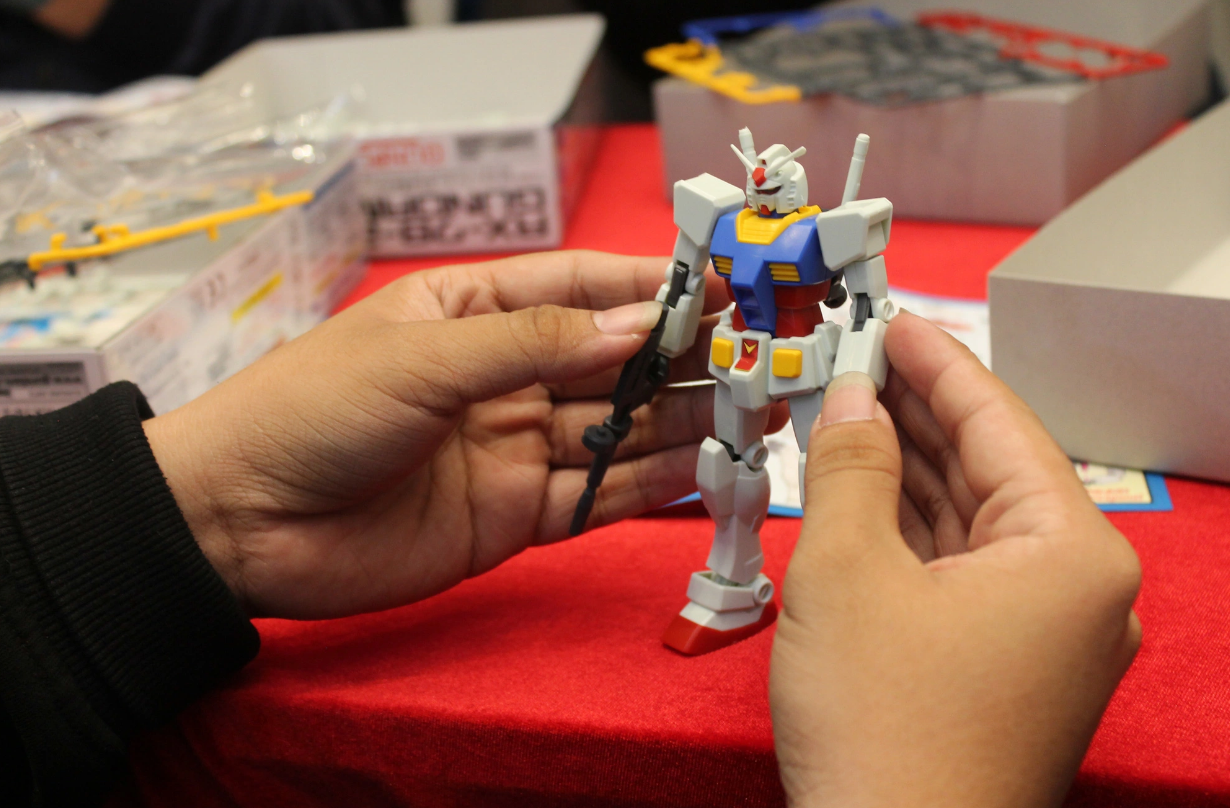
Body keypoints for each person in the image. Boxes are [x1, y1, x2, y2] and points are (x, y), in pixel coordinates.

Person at [0, 250, 1140, 806]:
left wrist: (167, 509)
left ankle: (744, 575)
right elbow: (694, 269)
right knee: (720, 465)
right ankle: (731, 578)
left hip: (791, 359)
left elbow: (862, 265)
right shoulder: (730, 226)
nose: (772, 186)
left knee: (762, 461)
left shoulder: (818, 231)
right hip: (743, 363)